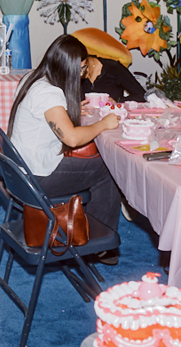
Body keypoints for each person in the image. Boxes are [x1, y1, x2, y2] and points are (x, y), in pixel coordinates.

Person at [7, 35, 124, 238]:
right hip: (36, 177)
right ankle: (102, 238)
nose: (83, 74)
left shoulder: (33, 78)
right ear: (68, 68)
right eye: (81, 68)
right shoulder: (49, 93)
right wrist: (103, 124)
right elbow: (71, 139)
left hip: (20, 171)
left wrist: (65, 110)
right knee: (109, 167)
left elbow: (44, 114)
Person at [81, 55, 146, 104]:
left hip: (113, 118)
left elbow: (141, 95)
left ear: (85, 61)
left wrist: (118, 101)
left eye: (82, 69)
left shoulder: (114, 68)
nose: (80, 74)